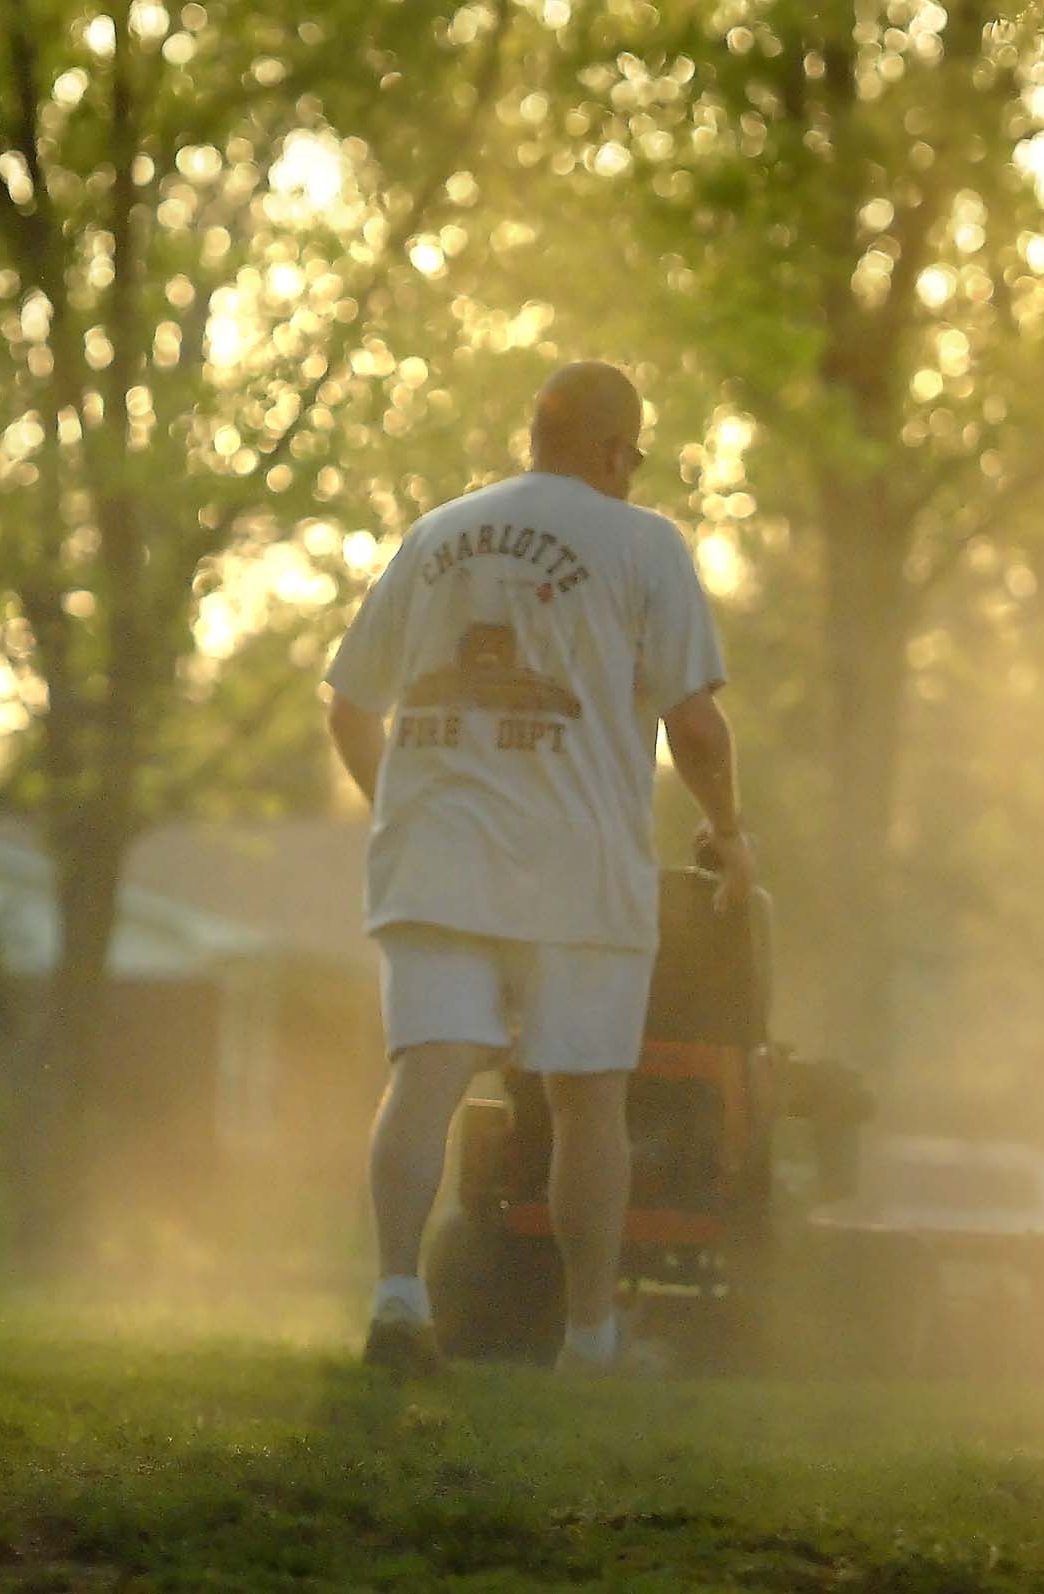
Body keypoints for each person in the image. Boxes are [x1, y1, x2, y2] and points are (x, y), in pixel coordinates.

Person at [323, 360, 752, 1375]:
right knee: (586, 1100)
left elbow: (349, 705)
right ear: (615, 450)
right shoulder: (644, 544)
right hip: (580, 862)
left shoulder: (435, 536)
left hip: (435, 859)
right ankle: (590, 1340)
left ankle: (395, 1299)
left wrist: (409, 811)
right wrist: (730, 830)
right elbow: (693, 723)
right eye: (634, 458)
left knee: (424, 1076)